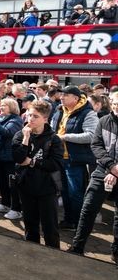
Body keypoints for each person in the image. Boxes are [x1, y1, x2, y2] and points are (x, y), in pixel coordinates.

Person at [68, 91, 118, 265]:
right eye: (113, 102)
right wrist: (112, 167)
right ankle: (77, 246)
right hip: (102, 170)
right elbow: (96, 145)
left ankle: (116, 252)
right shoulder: (104, 120)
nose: (116, 106)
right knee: (88, 208)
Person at [12, 100, 63, 248]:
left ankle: (54, 255)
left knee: (50, 227)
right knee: (30, 225)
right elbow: (19, 158)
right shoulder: (20, 134)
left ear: (45, 119)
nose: (30, 119)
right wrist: (26, 139)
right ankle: (31, 253)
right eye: (29, 115)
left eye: (35, 116)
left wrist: (33, 162)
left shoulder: (53, 139)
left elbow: (55, 164)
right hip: (26, 186)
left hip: (47, 188)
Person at [50, 85, 99, 231]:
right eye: (61, 95)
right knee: (64, 191)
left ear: (76, 98)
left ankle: (78, 223)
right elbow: (54, 129)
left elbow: (91, 136)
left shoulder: (88, 113)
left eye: (65, 95)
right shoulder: (60, 109)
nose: (62, 97)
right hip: (60, 158)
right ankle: (69, 220)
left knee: (75, 192)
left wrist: (64, 137)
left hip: (75, 160)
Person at [0, 98, 24, 219]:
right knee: (2, 182)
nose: (1, 107)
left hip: (10, 157)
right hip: (0, 156)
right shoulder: (1, 118)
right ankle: (5, 203)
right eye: (1, 104)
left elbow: (7, 133)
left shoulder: (16, 120)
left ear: (12, 107)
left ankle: (16, 208)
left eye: (4, 105)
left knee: (12, 184)